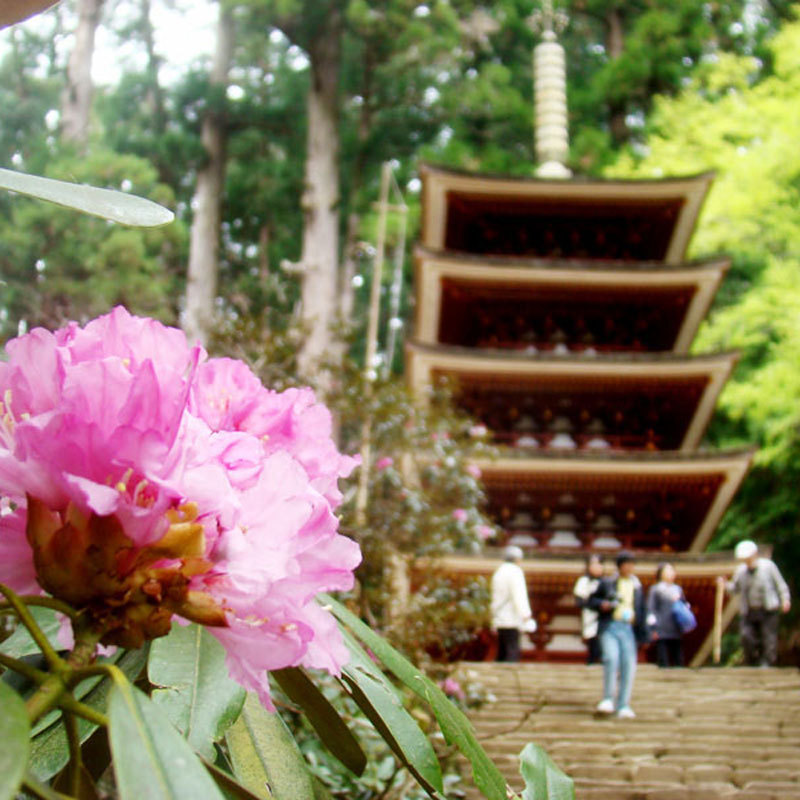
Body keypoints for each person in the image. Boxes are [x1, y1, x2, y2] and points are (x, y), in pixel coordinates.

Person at [588, 551, 649, 719]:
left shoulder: (637, 587)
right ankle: (608, 698)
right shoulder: (607, 583)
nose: (629, 567)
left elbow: (642, 610)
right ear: (620, 566)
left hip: (628, 628)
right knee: (611, 658)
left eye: (632, 564)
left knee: (628, 665)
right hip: (610, 626)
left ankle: (623, 704)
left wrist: (644, 635)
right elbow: (591, 601)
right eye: (626, 564)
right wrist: (603, 604)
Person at [719, 540, 791, 666]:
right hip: (749, 610)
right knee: (746, 636)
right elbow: (734, 589)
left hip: (768, 609)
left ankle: (767, 663)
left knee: (769, 638)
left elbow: (780, 584)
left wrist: (785, 599)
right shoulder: (741, 571)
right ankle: (752, 661)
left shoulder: (768, 566)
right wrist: (724, 584)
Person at [491, 545, 535, 662]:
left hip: (499, 616)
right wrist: (525, 614)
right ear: (518, 559)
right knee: (512, 650)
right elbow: (519, 595)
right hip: (511, 617)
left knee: (502, 650)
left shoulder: (499, 572)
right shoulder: (515, 572)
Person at [647, 562, 687, 668]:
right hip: (661, 626)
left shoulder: (678, 589)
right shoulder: (656, 589)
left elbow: (684, 605)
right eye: (667, 571)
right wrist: (652, 627)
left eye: (671, 570)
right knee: (663, 657)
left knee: (678, 656)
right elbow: (651, 608)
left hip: (676, 625)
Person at [573, 554, 604, 664]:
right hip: (590, 613)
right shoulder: (584, 581)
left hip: (603, 616)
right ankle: (592, 660)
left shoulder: (605, 581)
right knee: (593, 638)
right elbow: (579, 600)